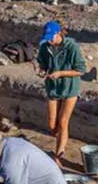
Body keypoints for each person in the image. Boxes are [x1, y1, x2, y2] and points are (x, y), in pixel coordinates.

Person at [34, 21, 86, 165]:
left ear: (59, 33)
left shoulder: (72, 47)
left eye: (52, 37)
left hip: (69, 88)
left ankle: (58, 155)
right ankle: (60, 140)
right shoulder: (45, 47)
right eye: (47, 37)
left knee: (63, 122)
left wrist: (61, 73)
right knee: (52, 125)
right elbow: (43, 64)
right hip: (53, 87)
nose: (50, 40)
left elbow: (81, 70)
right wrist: (42, 71)